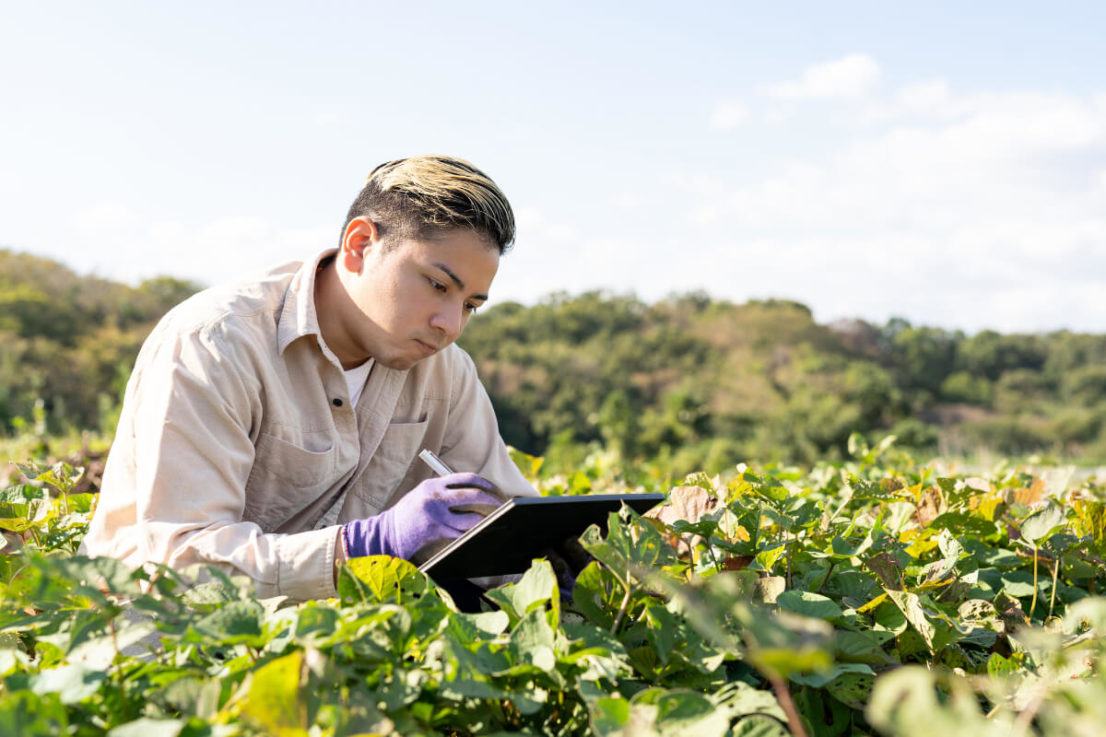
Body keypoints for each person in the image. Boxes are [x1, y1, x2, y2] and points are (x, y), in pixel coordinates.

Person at [80, 155, 538, 601]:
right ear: (361, 246)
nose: (451, 325)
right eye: (438, 285)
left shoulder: (445, 370)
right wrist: (367, 545)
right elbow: (182, 567)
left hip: (327, 637)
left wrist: (564, 563)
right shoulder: (214, 344)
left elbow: (508, 527)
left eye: (470, 306)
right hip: (150, 637)